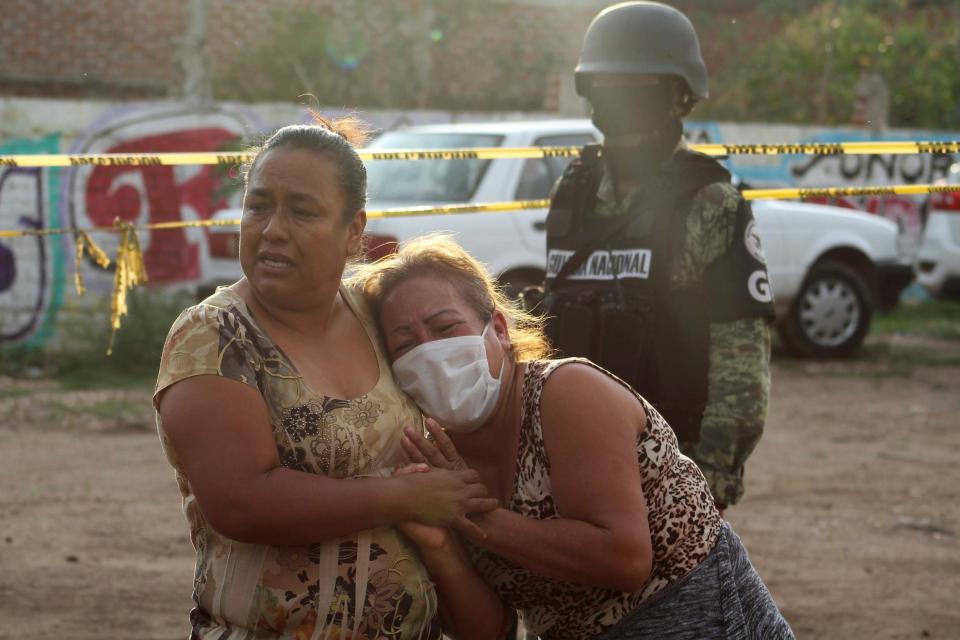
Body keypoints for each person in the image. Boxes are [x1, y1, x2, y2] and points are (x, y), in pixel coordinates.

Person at [153, 118, 497, 639]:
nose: (272, 229)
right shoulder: (214, 336)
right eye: (258, 205)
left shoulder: (379, 314)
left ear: (353, 230)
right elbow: (240, 502)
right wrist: (404, 498)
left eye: (302, 211)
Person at [354, 235, 793, 640]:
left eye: (446, 328)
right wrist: (442, 544)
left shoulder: (566, 393)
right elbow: (492, 631)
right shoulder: (438, 459)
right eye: (406, 343)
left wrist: (478, 520)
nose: (430, 352)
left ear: (500, 331)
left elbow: (623, 559)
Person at [539, 0, 776, 515]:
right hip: (569, 466)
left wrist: (703, 490)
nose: (616, 104)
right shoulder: (573, 193)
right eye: (605, 88)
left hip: (668, 474)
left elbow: (741, 373)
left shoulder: (710, 205)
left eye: (636, 89)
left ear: (678, 98)